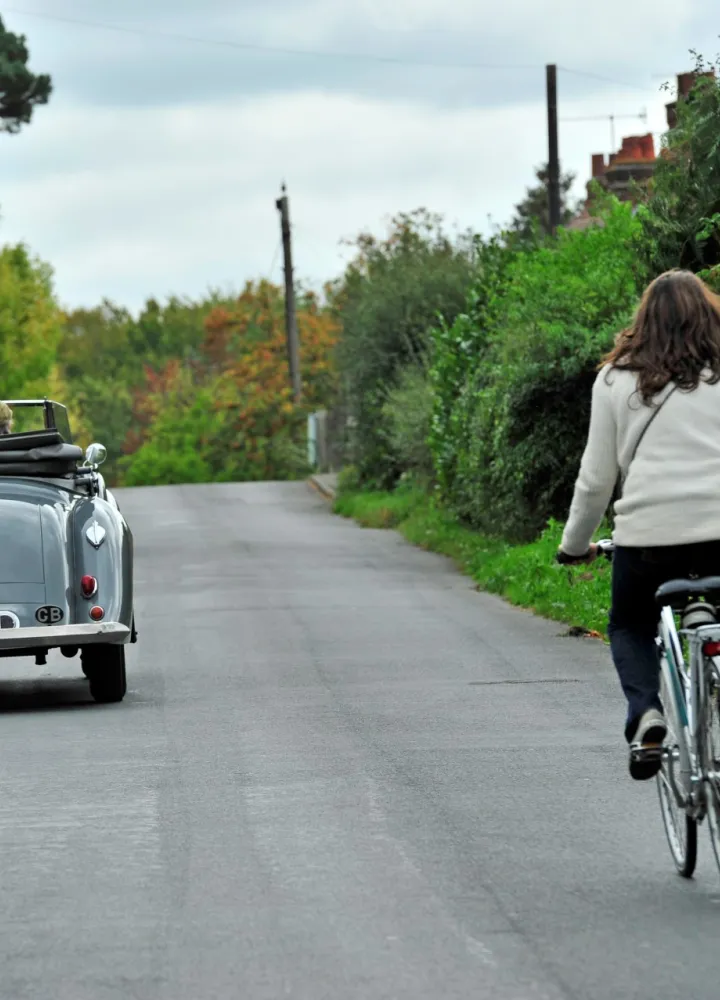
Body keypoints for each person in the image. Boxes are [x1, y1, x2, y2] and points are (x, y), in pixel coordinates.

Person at [557, 269, 720, 779]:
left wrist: (573, 545)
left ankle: (646, 712)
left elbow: (595, 479)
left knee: (629, 625)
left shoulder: (614, 378)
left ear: (643, 319)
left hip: (649, 542)